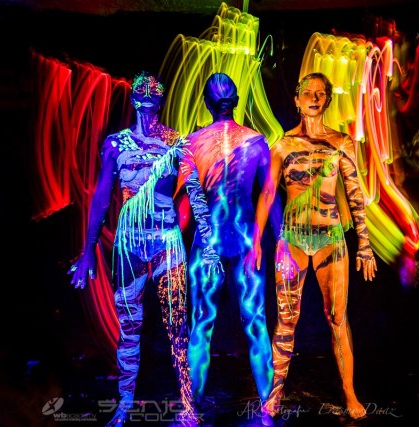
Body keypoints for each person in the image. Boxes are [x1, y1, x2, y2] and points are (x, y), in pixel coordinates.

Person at [67, 71, 216, 427]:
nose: (148, 95)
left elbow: (195, 193)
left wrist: (209, 246)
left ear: (162, 99)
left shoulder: (176, 142)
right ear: (134, 98)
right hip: (130, 243)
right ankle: (124, 404)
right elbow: (101, 198)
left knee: (177, 325)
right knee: (129, 326)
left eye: (155, 91)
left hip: (166, 240)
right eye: (142, 91)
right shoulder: (116, 144)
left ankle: (188, 404)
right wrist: (87, 251)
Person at [259, 72, 377, 420]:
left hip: (330, 238)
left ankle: (350, 393)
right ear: (297, 99)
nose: (313, 98)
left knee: (338, 317)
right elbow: (267, 193)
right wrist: (255, 241)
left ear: (327, 100)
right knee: (286, 319)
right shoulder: (282, 145)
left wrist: (365, 244)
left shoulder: (341, 143)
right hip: (293, 239)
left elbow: (355, 193)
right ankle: (275, 392)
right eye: (307, 93)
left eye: (320, 93)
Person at [176, 72, 275, 418]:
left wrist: (175, 237)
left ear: (206, 103)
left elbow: (191, 202)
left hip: (210, 239)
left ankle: (192, 407)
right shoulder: (256, 142)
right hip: (245, 238)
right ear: (235, 102)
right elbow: (268, 193)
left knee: (201, 324)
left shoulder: (192, 143)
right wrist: (264, 237)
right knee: (255, 322)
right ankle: (268, 404)